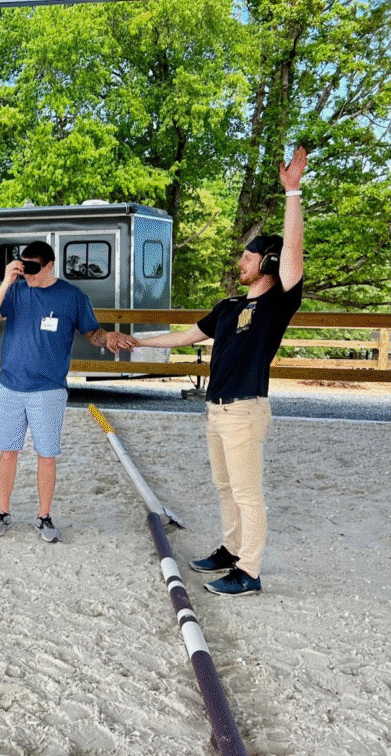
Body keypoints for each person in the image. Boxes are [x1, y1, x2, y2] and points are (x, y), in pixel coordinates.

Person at [136, 147, 308, 596]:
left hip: (245, 410)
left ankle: (248, 572)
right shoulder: (230, 306)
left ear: (267, 263)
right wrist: (138, 341)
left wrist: (293, 192)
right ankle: (231, 552)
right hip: (216, 411)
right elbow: (185, 336)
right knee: (224, 487)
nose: (241, 263)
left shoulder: (277, 303)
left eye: (249, 259)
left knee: (248, 494)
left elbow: (294, 252)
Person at [0, 240, 135, 543]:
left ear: (50, 266)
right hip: (10, 386)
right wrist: (7, 280)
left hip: (48, 390)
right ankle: (3, 511)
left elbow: (93, 333)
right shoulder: (15, 289)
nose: (28, 273)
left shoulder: (72, 296)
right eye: (23, 266)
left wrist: (109, 338)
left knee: (46, 455)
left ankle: (44, 516)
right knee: (8, 452)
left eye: (33, 268)